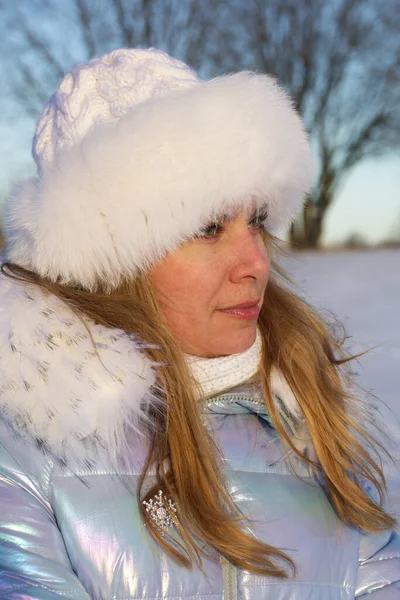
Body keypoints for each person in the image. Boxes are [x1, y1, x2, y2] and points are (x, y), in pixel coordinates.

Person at [0, 47, 398, 600]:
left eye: (256, 220)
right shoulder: (25, 452)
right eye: (209, 227)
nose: (257, 263)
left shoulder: (310, 419)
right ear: (116, 260)